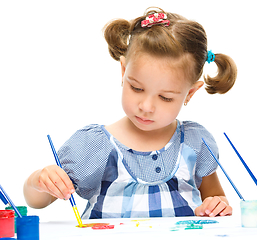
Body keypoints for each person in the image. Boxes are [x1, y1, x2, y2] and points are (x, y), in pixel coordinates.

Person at [24, 7, 237, 219]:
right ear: (124, 72)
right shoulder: (95, 145)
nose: (146, 106)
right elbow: (36, 201)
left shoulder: (194, 142)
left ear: (190, 93)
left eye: (165, 98)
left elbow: (215, 198)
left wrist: (215, 206)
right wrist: (39, 181)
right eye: (137, 88)